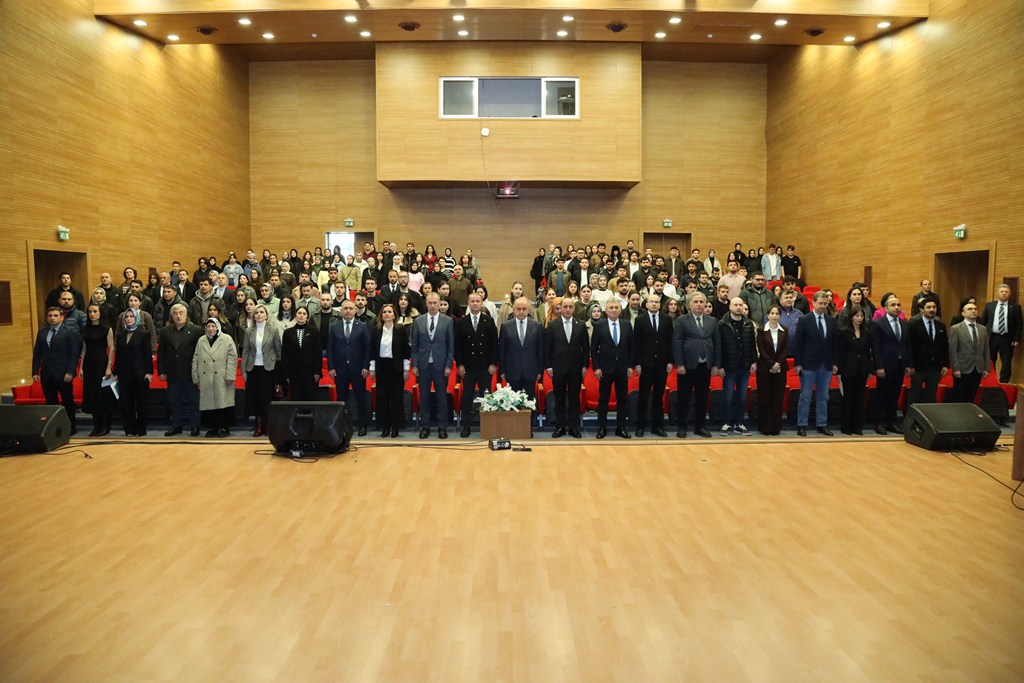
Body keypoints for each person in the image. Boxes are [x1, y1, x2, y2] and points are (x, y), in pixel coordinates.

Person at [672, 293, 721, 438]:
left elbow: (717, 343)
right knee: (683, 397)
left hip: (705, 365)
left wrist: (716, 364)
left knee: (702, 397)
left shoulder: (712, 321)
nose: (699, 304)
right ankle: (682, 426)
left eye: (701, 302)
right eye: (696, 302)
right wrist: (679, 364)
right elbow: (677, 343)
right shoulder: (681, 320)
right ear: (689, 305)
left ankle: (700, 426)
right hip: (687, 366)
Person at [791, 291, 839, 437]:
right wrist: (798, 363)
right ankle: (802, 424)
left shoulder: (831, 320)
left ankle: (821, 424)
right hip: (808, 365)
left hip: (826, 365)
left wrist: (835, 363)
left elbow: (835, 344)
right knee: (805, 396)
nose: (823, 306)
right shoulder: (804, 320)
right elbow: (798, 344)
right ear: (813, 303)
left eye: (825, 304)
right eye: (820, 303)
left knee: (823, 397)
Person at [410, 293, 455, 438]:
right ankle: (425, 426)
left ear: (439, 303)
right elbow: (415, 345)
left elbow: (450, 346)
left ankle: (442, 426)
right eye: (430, 303)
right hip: (423, 365)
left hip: (440, 365)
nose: (433, 305)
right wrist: (414, 364)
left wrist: (448, 365)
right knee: (424, 398)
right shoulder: (418, 321)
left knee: (442, 398)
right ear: (426, 303)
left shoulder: (448, 321)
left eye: (435, 303)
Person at [32, 307, 82, 434]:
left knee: (67, 401)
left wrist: (70, 371)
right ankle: (53, 427)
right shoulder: (42, 332)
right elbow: (37, 353)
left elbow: (74, 354)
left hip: (63, 373)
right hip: (47, 373)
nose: (52, 318)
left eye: (55, 315)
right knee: (50, 402)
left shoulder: (70, 332)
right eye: (50, 316)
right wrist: (35, 371)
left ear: (62, 317)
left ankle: (70, 426)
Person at [544, 297, 589, 438]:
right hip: (558, 368)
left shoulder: (581, 325)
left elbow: (585, 348)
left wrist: (585, 365)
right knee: (559, 399)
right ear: (561, 308)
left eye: (570, 307)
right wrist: (548, 366)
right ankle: (560, 427)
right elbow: (547, 348)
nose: (568, 309)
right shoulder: (552, 324)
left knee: (574, 399)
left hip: (576, 368)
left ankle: (574, 427)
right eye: (565, 307)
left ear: (574, 309)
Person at [455, 293, 498, 438]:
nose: (475, 303)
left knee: (485, 396)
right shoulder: (461, 322)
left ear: (482, 303)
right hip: (468, 366)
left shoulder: (489, 321)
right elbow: (457, 346)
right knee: (467, 396)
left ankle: (487, 425)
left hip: (485, 366)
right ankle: (465, 426)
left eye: (477, 301)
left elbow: (494, 344)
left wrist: (493, 363)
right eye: (472, 301)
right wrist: (460, 364)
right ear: (468, 303)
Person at [157, 303, 203, 437]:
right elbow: (161, 353)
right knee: (174, 401)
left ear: (186, 314)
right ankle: (176, 425)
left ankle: (195, 426)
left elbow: (201, 353)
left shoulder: (196, 330)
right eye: (175, 313)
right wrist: (161, 371)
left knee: (193, 401)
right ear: (171, 315)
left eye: (181, 313)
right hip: (172, 372)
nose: (178, 316)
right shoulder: (165, 331)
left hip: (190, 373)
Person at [328, 300, 372, 437]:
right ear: (341, 310)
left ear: (355, 310)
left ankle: (363, 425)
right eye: (345, 308)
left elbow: (367, 348)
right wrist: (331, 367)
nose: (348, 311)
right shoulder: (334, 327)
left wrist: (366, 366)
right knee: (342, 399)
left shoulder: (362, 326)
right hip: (340, 369)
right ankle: (343, 426)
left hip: (358, 369)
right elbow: (330, 349)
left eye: (350, 308)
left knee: (361, 398)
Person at [631, 294, 673, 438]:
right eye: (651, 302)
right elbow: (636, 343)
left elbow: (670, 341)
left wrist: (670, 361)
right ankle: (640, 426)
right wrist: (637, 363)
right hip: (645, 364)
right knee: (643, 395)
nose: (654, 304)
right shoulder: (640, 320)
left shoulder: (667, 319)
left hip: (662, 363)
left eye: (657, 302)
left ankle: (657, 426)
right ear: (646, 304)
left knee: (658, 396)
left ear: (660, 305)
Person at [870, 294, 913, 435]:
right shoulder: (878, 323)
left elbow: (907, 346)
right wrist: (879, 366)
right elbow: (875, 347)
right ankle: (880, 422)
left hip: (899, 365)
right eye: (893, 305)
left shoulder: (905, 324)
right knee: (882, 394)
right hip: (884, 365)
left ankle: (892, 421)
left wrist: (908, 364)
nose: (896, 307)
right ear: (886, 308)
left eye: (898, 305)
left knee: (895, 394)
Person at [590, 299, 633, 439]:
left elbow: (632, 348)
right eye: (611, 308)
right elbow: (593, 349)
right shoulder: (599, 325)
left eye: (616, 307)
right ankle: (602, 427)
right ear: (606, 311)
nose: (614, 310)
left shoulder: (627, 325)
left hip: (622, 368)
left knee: (622, 399)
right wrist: (597, 367)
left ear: (620, 310)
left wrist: (630, 366)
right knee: (603, 398)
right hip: (605, 368)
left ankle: (621, 427)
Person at [369, 304, 410, 438]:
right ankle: (385, 427)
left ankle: (395, 427)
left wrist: (406, 369)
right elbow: (372, 350)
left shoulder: (400, 330)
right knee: (382, 398)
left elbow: (406, 350)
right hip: (382, 367)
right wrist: (372, 368)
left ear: (394, 315)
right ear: (381, 315)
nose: (387, 314)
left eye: (389, 312)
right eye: (384, 312)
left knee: (396, 398)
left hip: (396, 367)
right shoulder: (376, 330)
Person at [192, 318, 237, 437]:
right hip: (206, 377)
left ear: (217, 327)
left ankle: (224, 427)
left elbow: (233, 358)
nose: (211, 329)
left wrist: (230, 375)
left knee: (223, 403)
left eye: (213, 326)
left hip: (222, 377)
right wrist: (196, 377)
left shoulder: (226, 339)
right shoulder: (201, 340)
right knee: (209, 404)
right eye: (208, 327)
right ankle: (213, 428)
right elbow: (195, 359)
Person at [242, 305, 282, 437]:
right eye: (256, 313)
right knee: (256, 398)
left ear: (266, 315)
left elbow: (278, 350)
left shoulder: (273, 330)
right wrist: (244, 371)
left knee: (267, 398)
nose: (259, 314)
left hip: (268, 369)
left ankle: (268, 425)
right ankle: (259, 426)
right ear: (253, 316)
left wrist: (281, 371)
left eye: (261, 312)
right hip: (253, 368)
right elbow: (246, 351)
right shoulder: (249, 331)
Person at [718, 297, 757, 435]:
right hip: (728, 366)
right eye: (736, 305)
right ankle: (726, 423)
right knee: (728, 396)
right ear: (730, 307)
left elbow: (752, 345)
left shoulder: (748, 323)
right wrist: (720, 365)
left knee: (742, 396)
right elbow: (719, 346)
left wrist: (754, 361)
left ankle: (740, 423)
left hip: (744, 366)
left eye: (741, 305)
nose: (739, 307)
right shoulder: (722, 324)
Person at [113, 308, 153, 437]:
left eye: (131, 316)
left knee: (141, 403)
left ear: (137, 318)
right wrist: (116, 372)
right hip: (124, 374)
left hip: (140, 374)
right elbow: (118, 355)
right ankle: (129, 429)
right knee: (126, 403)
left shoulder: (144, 334)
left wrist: (149, 372)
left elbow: (148, 354)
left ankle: (141, 430)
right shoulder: (120, 335)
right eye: (127, 317)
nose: (129, 319)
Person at [498, 297, 544, 406]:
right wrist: (502, 370)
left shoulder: (537, 326)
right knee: (513, 404)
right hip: (512, 371)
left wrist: (540, 371)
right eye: (518, 309)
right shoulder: (506, 326)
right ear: (513, 310)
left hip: (531, 371)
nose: (521, 311)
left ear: (528, 310)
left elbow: (540, 350)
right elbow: (502, 350)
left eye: (524, 309)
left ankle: (531, 417)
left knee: (530, 402)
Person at [79, 304, 115, 437]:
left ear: (100, 313)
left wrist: (109, 366)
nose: (92, 314)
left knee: (102, 395)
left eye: (95, 311)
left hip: (102, 363)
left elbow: (111, 348)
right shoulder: (85, 329)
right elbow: (84, 349)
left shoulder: (107, 328)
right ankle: (96, 425)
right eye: (90, 312)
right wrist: (81, 367)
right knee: (92, 395)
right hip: (89, 364)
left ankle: (105, 425)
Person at [836, 305, 872, 435]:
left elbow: (868, 352)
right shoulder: (843, 331)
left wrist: (869, 370)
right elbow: (839, 352)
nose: (859, 318)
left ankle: (857, 426)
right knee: (848, 398)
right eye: (857, 316)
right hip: (848, 369)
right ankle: (846, 426)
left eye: (861, 316)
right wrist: (839, 371)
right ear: (851, 317)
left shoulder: (867, 332)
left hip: (862, 369)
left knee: (860, 398)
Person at [906, 299, 949, 408]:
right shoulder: (914, 325)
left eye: (934, 307)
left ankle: (928, 417)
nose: (932, 310)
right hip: (918, 367)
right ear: (921, 309)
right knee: (915, 394)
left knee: (931, 394)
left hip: (935, 367)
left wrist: (945, 365)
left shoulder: (941, 325)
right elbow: (909, 346)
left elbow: (944, 346)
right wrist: (910, 365)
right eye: (928, 307)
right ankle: (910, 417)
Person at [756, 304, 789, 436]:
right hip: (764, 369)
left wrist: (778, 364)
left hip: (780, 369)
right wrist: (771, 364)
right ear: (768, 315)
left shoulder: (785, 330)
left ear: (780, 316)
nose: (774, 316)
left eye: (777, 314)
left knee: (778, 397)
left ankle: (776, 427)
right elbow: (761, 349)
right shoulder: (761, 330)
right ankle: (765, 427)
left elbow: (786, 349)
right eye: (772, 313)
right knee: (765, 397)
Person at [948, 301, 989, 403]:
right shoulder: (956, 329)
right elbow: (953, 350)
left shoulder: (983, 329)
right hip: (962, 367)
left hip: (978, 367)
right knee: (959, 396)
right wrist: (955, 368)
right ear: (963, 313)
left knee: (971, 396)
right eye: (970, 309)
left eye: (975, 309)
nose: (973, 311)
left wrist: (986, 368)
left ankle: (969, 413)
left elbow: (986, 350)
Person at [981, 284, 1022, 383]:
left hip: (1007, 338)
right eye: (1002, 291)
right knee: (990, 361)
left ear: (1010, 293)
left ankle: (1004, 382)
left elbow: (1019, 324)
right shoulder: (989, 305)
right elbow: (982, 322)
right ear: (997, 293)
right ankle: (991, 381)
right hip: (992, 337)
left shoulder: (1015, 307)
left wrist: (1017, 338)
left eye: (1006, 292)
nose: (1004, 293)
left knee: (1006, 362)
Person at [280, 306, 322, 401]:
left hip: (310, 373)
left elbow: (317, 353)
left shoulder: (314, 331)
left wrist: (317, 372)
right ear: (295, 316)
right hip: (294, 373)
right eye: (299, 313)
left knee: (311, 399)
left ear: (307, 317)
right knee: (296, 398)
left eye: (304, 314)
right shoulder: (288, 333)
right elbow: (285, 354)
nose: (301, 316)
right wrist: (286, 375)